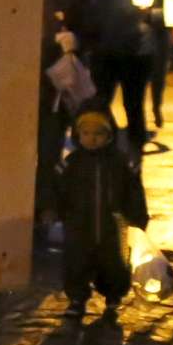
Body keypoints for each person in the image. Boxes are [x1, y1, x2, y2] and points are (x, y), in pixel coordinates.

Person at [57, 102, 148, 324]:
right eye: (86, 133)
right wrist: (53, 210)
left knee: (114, 262)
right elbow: (60, 190)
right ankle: (77, 299)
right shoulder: (71, 164)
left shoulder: (120, 163)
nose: (92, 138)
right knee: (77, 262)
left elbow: (133, 191)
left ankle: (113, 296)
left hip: (113, 225)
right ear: (78, 135)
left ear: (109, 135)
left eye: (98, 133)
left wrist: (138, 217)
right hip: (79, 225)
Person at [24, 0, 89, 235]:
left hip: (53, 85)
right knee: (21, 149)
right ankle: (23, 205)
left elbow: (92, 30)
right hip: (21, 81)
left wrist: (75, 39)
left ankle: (44, 207)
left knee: (48, 150)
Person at [86, 0, 160, 152]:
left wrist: (149, 13)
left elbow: (169, 13)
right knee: (101, 102)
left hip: (137, 53)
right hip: (106, 51)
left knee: (133, 105)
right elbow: (91, 12)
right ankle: (100, 146)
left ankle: (135, 151)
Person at [136, 0, 173, 130]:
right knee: (157, 74)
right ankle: (156, 109)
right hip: (161, 30)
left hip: (149, 30)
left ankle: (143, 113)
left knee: (142, 75)